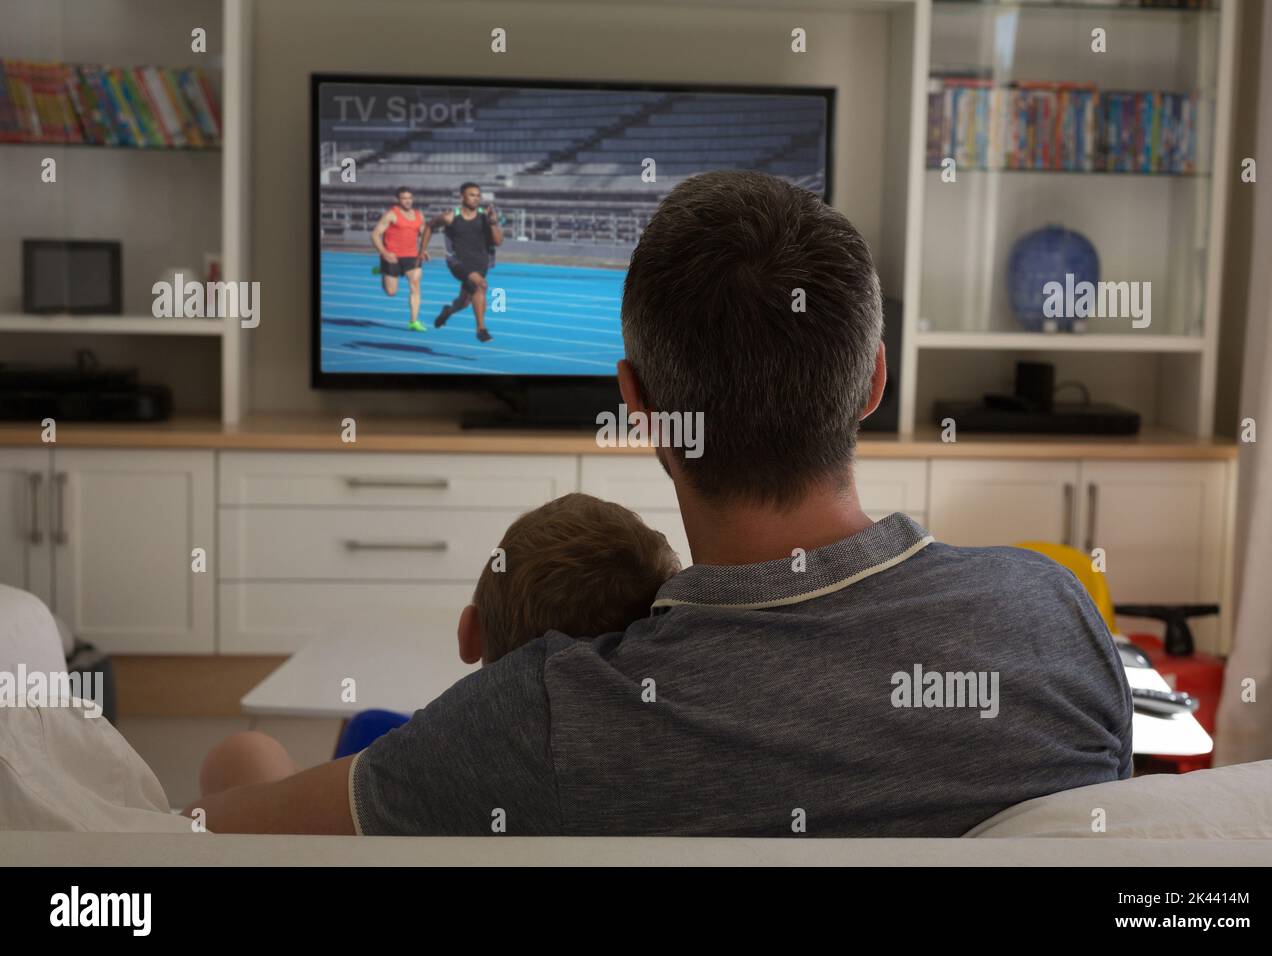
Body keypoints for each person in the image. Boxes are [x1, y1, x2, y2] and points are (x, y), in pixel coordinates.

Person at [187, 170, 1133, 837]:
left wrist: (247, 764)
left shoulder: (546, 716)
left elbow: (204, 835)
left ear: (636, 402)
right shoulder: (1055, 617)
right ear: (874, 380)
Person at [194, 494, 680, 805]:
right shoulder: (672, 765)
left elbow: (213, 822)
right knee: (370, 723)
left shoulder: (424, 765)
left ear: (470, 634)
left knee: (246, 752)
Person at [421, 182, 501, 343]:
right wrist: (422, 249)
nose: (476, 198)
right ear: (462, 196)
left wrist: (493, 222)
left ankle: (447, 312)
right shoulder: (450, 216)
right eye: (472, 195)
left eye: (478, 195)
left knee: (463, 302)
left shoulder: (485, 216)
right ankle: (481, 330)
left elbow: (498, 242)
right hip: (457, 262)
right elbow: (429, 226)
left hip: (480, 263)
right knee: (481, 285)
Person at [370, 186, 427, 332]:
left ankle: (414, 321)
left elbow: (423, 234)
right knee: (391, 292)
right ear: (398, 200)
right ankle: (382, 270)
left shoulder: (419, 215)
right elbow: (375, 235)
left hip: (412, 256)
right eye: (404, 198)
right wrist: (384, 253)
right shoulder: (391, 214)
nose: (407, 201)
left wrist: (423, 250)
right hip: (392, 257)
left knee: (415, 285)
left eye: (409, 198)